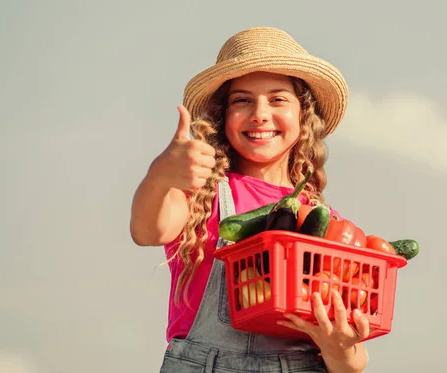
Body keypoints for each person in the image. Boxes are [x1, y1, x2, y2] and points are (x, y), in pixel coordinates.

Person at [130, 26, 370, 373]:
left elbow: (353, 362)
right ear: (222, 115)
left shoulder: (326, 221)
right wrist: (160, 175)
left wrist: (342, 350)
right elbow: (147, 230)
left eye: (277, 99)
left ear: (304, 116)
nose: (259, 113)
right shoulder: (201, 195)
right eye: (242, 100)